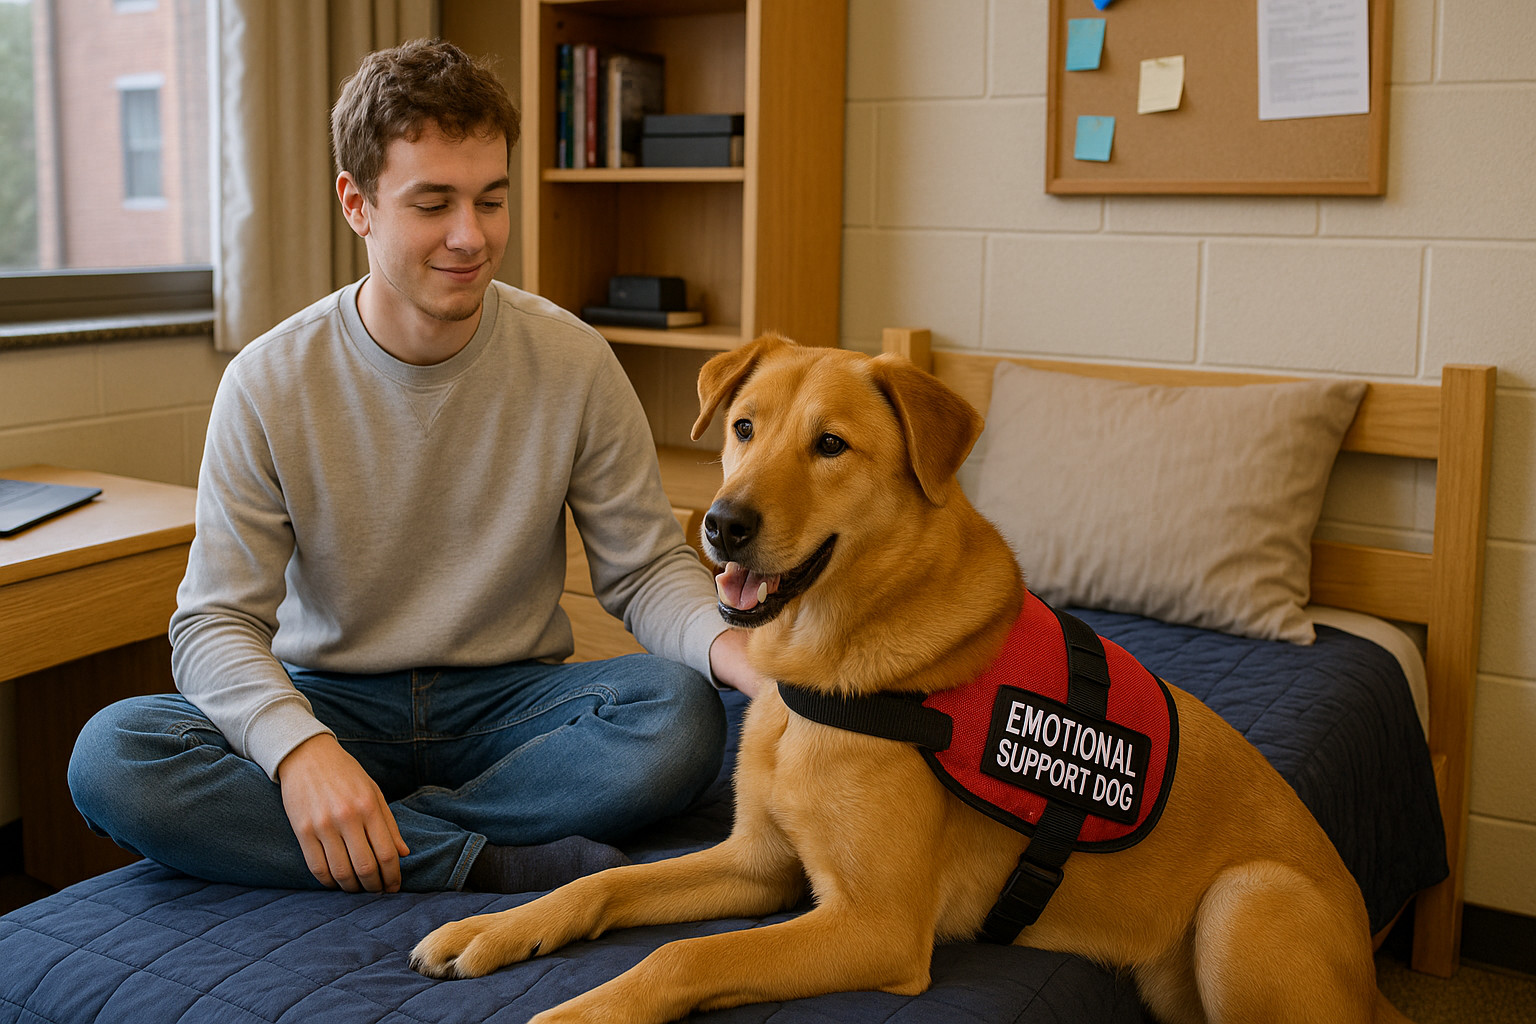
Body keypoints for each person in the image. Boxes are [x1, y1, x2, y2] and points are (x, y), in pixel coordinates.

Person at [68, 39, 760, 897]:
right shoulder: (267, 381)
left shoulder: (575, 361)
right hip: (333, 702)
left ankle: (371, 838)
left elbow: (646, 569)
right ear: (356, 204)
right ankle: (484, 857)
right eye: (433, 204)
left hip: (508, 705)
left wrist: (734, 651)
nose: (471, 236)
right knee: (114, 754)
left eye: (492, 200)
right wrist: (300, 751)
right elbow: (214, 625)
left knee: (681, 715)